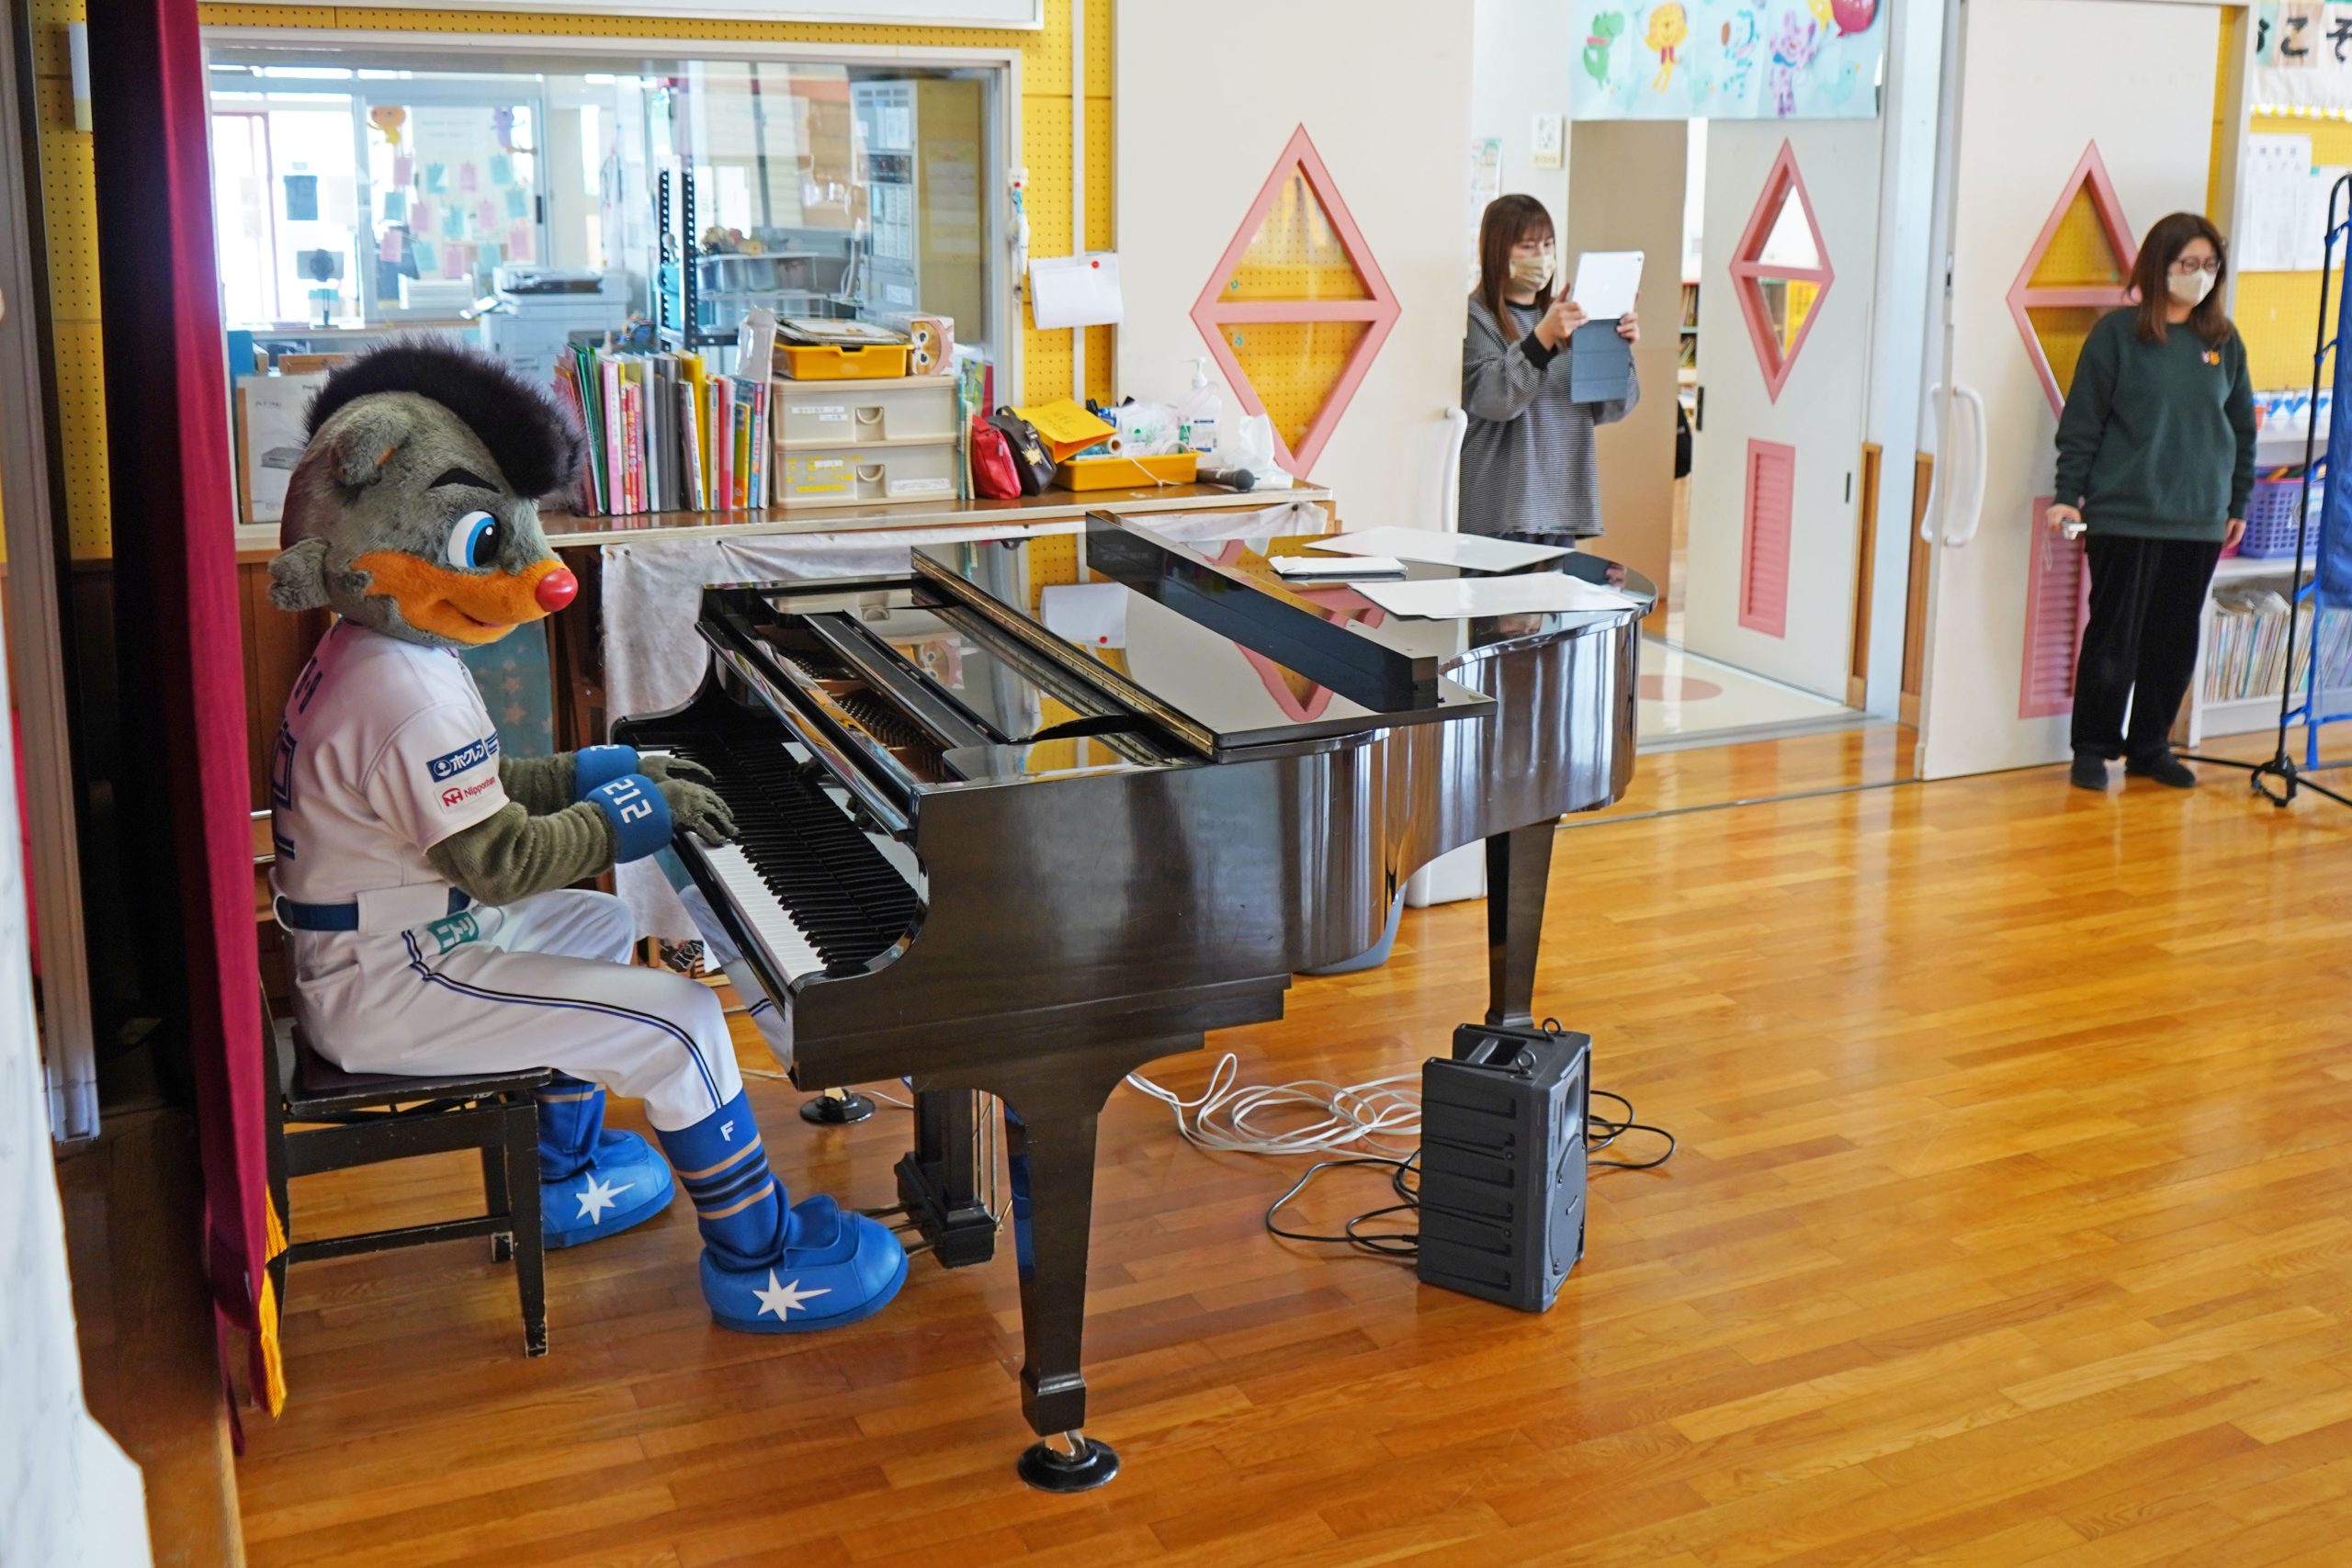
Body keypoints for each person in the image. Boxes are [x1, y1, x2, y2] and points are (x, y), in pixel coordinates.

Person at [266, 341, 906, 1334]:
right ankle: (759, 1257)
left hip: (396, 938)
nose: (542, 575)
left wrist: (585, 773)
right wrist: (630, 815)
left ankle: (563, 1173)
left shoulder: (379, 648)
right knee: (681, 1021)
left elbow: (469, 799)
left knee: (598, 926)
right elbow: (499, 859)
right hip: (392, 978)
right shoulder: (398, 690)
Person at [2049, 212, 2255, 792]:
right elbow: (2082, 423)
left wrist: (2238, 502)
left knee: (2174, 638)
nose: (2200, 275)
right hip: (2124, 514)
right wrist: (2067, 495)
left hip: (2200, 518)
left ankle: (2150, 747)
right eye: (2188, 263)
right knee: (2114, 636)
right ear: (2158, 266)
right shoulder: (2117, 336)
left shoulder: (2224, 342)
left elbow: (2242, 431)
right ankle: (2092, 748)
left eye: (2210, 264)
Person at [1460, 194, 1641, 547]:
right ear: (1497, 251)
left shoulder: (1570, 318)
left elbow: (1611, 407)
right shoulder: (1475, 317)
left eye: (1548, 244)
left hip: (1562, 509)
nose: (1541, 256)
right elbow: (1496, 400)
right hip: (1501, 511)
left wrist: (1617, 349)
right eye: (1527, 246)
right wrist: (1542, 339)